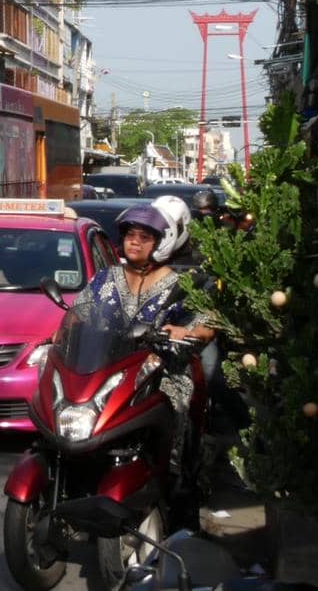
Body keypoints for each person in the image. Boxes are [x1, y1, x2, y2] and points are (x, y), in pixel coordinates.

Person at [77, 202, 214, 486]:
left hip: (159, 373)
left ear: (161, 243)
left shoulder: (181, 284)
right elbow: (81, 312)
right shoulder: (106, 278)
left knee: (175, 405)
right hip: (107, 369)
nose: (135, 242)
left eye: (144, 237)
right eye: (130, 235)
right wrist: (64, 333)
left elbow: (207, 325)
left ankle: (171, 484)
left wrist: (185, 332)